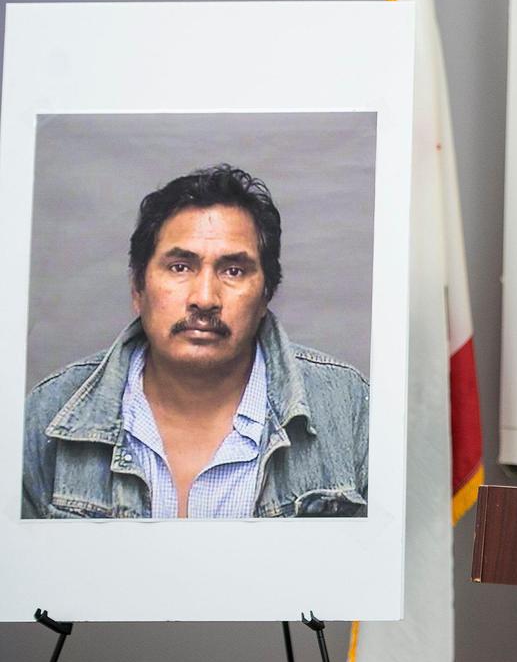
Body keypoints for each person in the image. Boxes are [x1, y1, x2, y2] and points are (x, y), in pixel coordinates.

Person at [23, 164, 369, 519]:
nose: (205, 298)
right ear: (138, 289)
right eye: (180, 267)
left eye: (233, 270)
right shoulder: (47, 414)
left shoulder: (350, 407)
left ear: (266, 295)